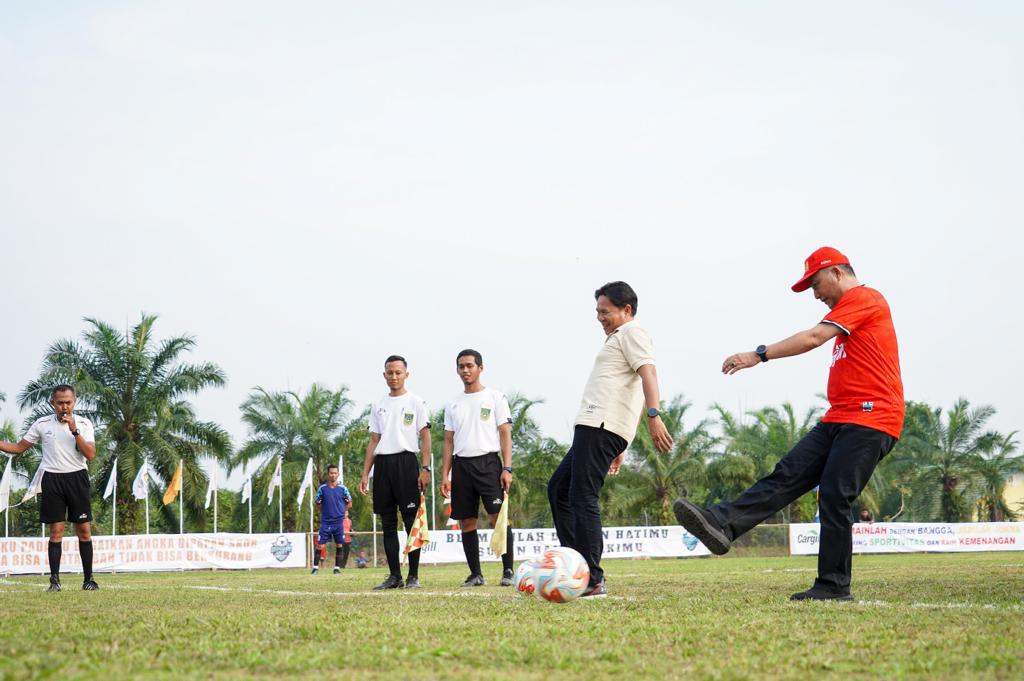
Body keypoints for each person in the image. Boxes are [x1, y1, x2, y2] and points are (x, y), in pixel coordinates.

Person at [673, 246, 903, 602]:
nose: (816, 294)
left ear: (838, 273)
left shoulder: (866, 298)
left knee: (834, 494)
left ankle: (834, 586)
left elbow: (813, 338)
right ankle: (722, 524)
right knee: (787, 474)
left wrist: (758, 355)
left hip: (872, 416)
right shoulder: (849, 315)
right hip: (839, 416)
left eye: (816, 283)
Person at [548, 282, 673, 598]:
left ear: (626, 310)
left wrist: (654, 415)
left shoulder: (632, 332)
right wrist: (622, 443)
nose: (600, 318)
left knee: (582, 495)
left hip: (600, 425)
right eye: (597, 312)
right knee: (559, 489)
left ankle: (591, 576)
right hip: (597, 425)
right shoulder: (619, 337)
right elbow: (626, 389)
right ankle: (574, 565)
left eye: (605, 312)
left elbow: (649, 374)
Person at [0, 385, 98, 591]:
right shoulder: (42, 424)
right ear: (52, 403)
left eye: (68, 402)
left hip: (77, 478)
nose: (64, 406)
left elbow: (90, 454)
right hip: (52, 479)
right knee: (56, 532)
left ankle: (89, 580)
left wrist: (75, 431)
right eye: (60, 402)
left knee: (84, 531)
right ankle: (54, 581)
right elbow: (18, 448)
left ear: (75, 402)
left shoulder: (84, 423)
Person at [441, 349, 515, 587]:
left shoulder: (495, 397)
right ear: (457, 370)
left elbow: (505, 433)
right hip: (462, 466)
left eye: (470, 366)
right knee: (467, 521)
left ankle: (508, 571)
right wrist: (445, 474)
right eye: (461, 366)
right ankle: (476, 574)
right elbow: (449, 441)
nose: (465, 370)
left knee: (497, 517)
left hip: (488, 464)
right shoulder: (452, 404)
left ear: (480, 368)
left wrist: (507, 468)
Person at [359, 355, 432, 590]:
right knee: (387, 523)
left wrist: (425, 468)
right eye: (389, 373)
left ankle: (413, 576)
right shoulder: (378, 405)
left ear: (406, 374)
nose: (394, 376)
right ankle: (394, 576)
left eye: (398, 372)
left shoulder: (416, 402)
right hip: (383, 466)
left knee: (411, 522)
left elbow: (425, 437)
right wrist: (365, 473)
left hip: (407, 464)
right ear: (384, 375)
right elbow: (373, 440)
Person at [311, 465, 352, 575]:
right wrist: (325, 512)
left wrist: (342, 511)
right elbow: (317, 503)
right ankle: (315, 568)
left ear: (338, 474)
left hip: (339, 522)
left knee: (339, 544)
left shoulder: (343, 489)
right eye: (331, 473)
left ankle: (337, 568)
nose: (333, 475)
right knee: (320, 544)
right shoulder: (322, 489)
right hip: (326, 521)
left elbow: (349, 503)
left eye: (335, 473)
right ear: (328, 474)